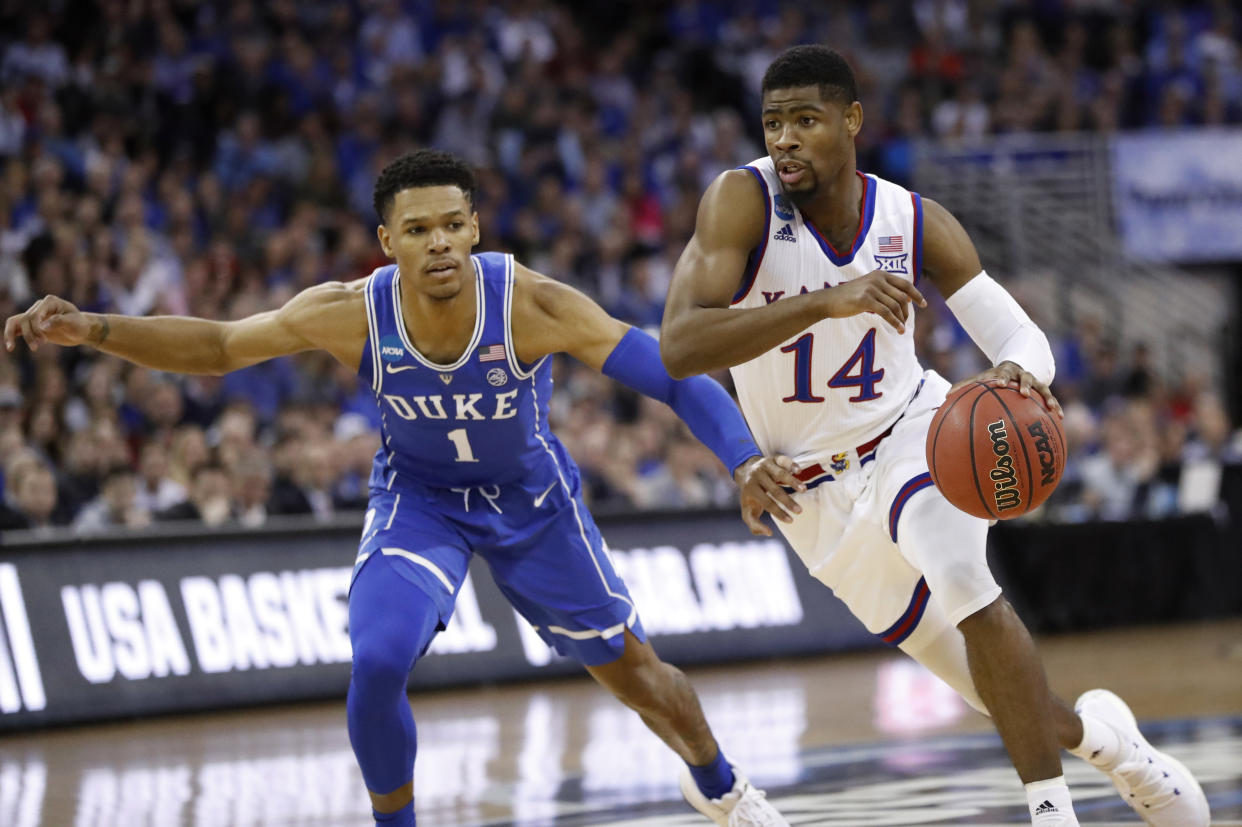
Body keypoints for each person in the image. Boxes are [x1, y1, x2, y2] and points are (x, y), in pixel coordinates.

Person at [4, 149, 792, 827]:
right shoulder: (351, 311)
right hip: (420, 500)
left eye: (453, 224)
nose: (439, 242)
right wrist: (96, 328)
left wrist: (743, 458)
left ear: (475, 228)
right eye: (418, 230)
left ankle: (722, 784)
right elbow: (217, 346)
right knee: (377, 660)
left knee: (638, 674)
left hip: (530, 501)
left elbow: (675, 376)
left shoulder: (530, 302)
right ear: (388, 243)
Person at [659, 45, 1209, 827]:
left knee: (959, 573)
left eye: (805, 120)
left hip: (908, 434)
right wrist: (825, 304)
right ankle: (1115, 747)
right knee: (1000, 696)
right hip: (811, 496)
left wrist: (1019, 371)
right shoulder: (739, 203)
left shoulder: (912, 220)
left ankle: (1052, 814)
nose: (783, 139)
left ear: (852, 121)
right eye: (772, 121)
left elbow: (1020, 337)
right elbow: (679, 345)